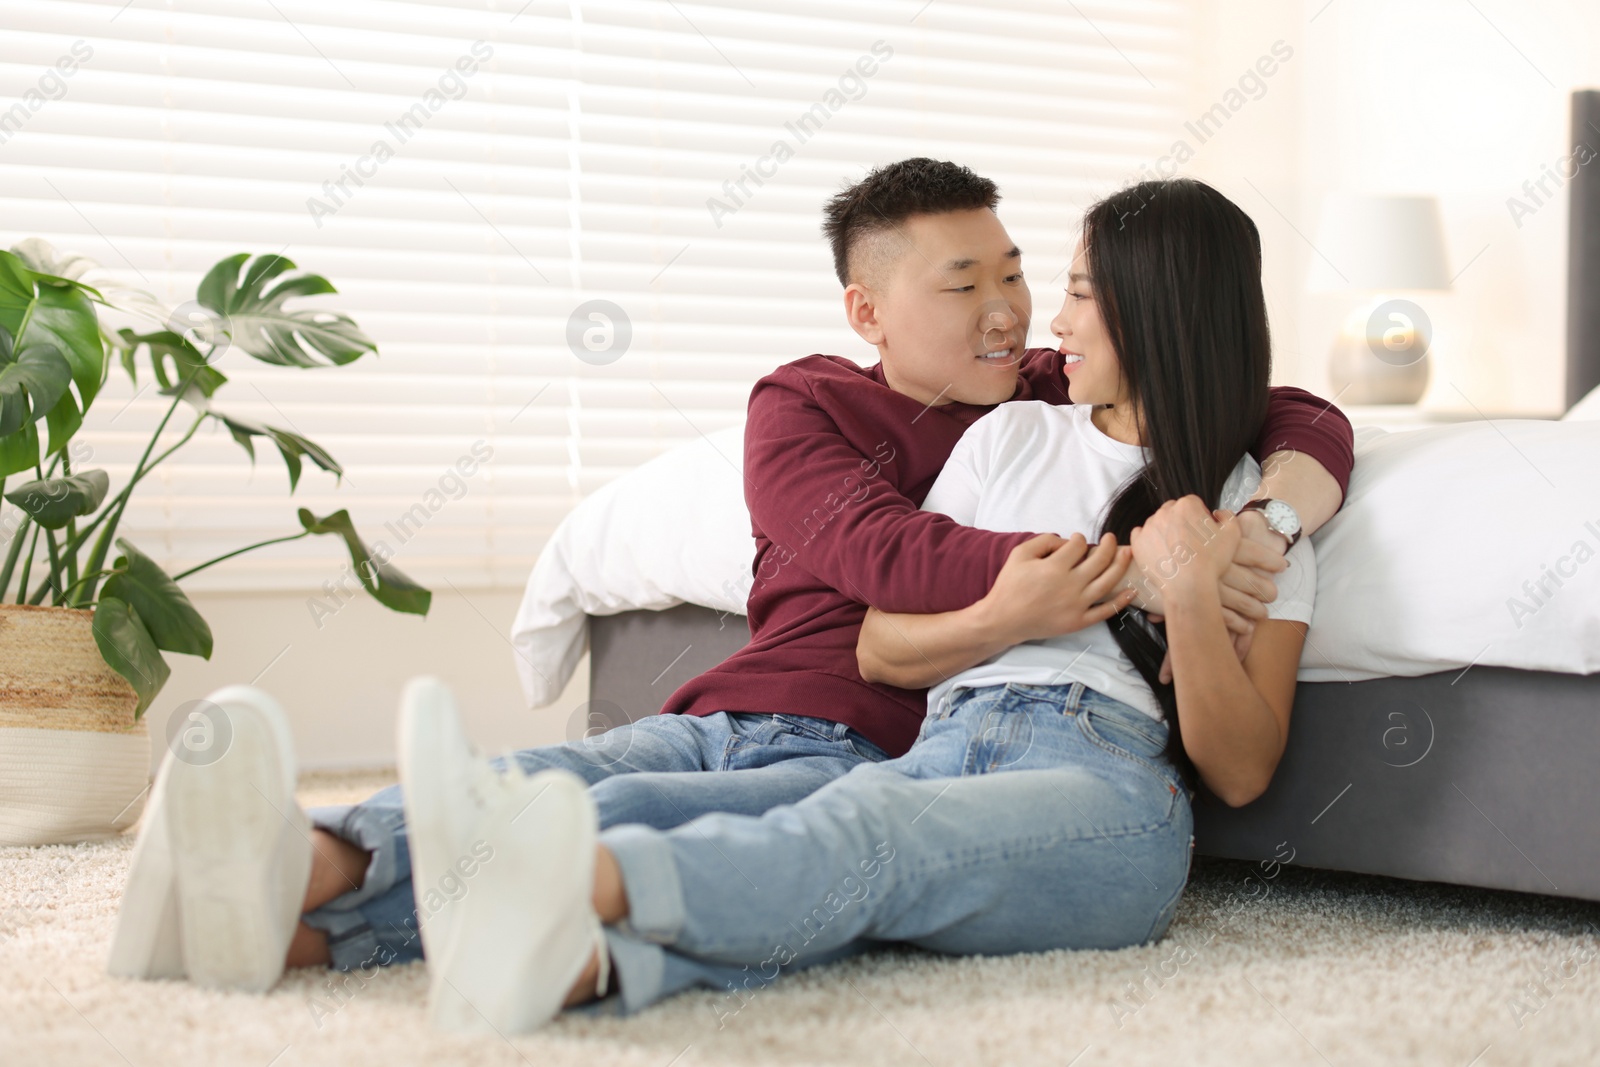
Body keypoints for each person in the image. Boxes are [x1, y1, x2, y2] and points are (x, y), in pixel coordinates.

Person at [108, 162, 1348, 996]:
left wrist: (1240, 542)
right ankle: (298, 884)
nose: (1023, 317)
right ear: (868, 308)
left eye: (1040, 283)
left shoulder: (1157, 469)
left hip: (990, 761)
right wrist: (1098, 580)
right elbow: (882, 585)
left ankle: (484, 897)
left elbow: (1281, 414)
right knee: (598, 783)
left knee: (815, 827)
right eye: (969, 284)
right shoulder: (902, 417)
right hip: (841, 710)